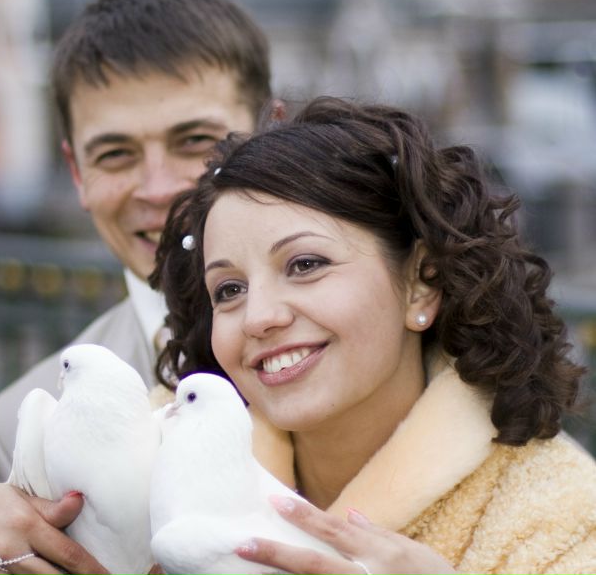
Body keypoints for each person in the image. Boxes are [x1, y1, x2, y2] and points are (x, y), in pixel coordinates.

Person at [150, 96, 596, 574]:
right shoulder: (152, 462)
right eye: (229, 290)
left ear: (421, 283)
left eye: (305, 264)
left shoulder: (563, 520)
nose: (258, 317)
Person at [0, 0, 271, 574]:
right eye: (115, 154)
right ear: (76, 173)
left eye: (195, 141)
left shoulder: (373, 337)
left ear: (272, 133)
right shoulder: (18, 421)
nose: (158, 189)